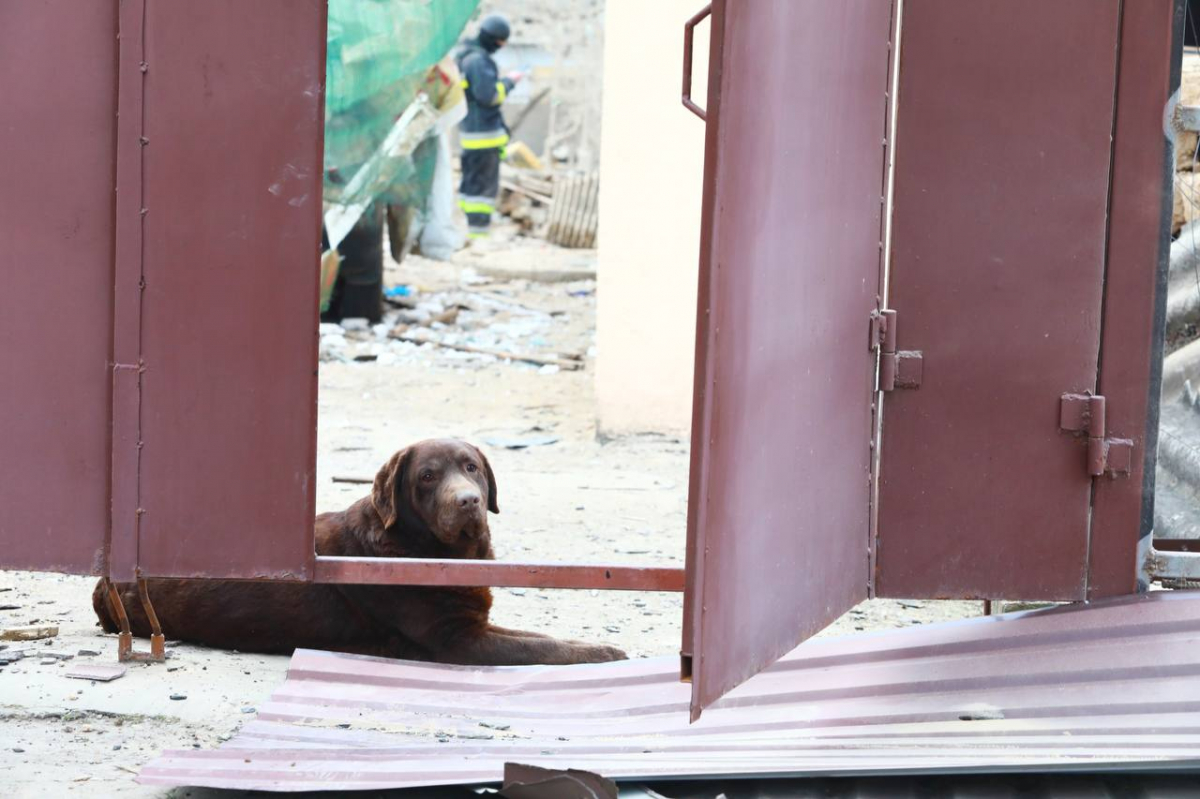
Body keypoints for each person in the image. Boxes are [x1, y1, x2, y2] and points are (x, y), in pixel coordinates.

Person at [456, 14, 523, 239]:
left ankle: (471, 232)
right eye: (501, 42)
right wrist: (510, 82)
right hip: (486, 136)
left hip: (469, 135)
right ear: (496, 39)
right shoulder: (478, 61)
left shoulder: (463, 57)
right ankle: (479, 237)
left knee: (471, 185)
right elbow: (490, 96)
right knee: (482, 191)